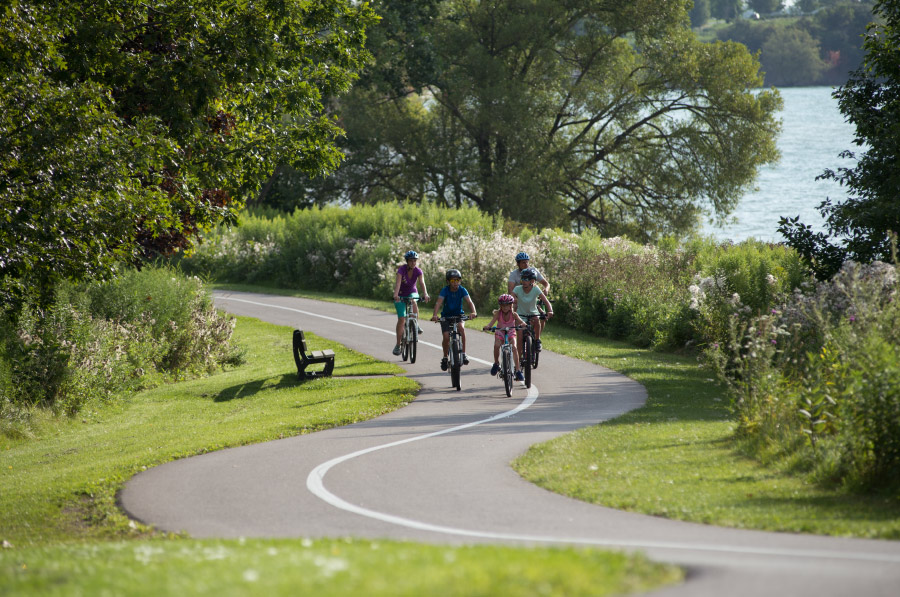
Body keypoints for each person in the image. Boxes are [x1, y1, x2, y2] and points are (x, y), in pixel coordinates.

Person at [431, 269, 477, 371]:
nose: (455, 283)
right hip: (446, 316)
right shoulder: (445, 290)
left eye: (457, 280)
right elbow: (438, 303)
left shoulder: (462, 290)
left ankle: (464, 354)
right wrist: (435, 315)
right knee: (446, 336)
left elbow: (469, 302)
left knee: (461, 327)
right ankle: (445, 357)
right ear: (448, 282)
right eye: (452, 281)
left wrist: (473, 312)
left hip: (459, 315)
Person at [392, 250, 430, 356]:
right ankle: (398, 345)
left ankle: (416, 325)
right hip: (400, 294)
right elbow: (398, 283)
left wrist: (425, 294)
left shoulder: (418, 271)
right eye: (411, 261)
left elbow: (422, 283)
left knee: (414, 301)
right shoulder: (401, 270)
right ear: (407, 261)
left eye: (415, 260)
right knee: (401, 319)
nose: (413, 263)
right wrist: (396, 295)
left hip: (412, 293)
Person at [482, 293, 526, 381]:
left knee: (514, 347)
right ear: (500, 306)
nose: (505, 307)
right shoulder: (498, 313)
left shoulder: (514, 314)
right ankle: (496, 363)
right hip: (500, 332)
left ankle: (517, 370)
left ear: (511, 305)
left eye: (507, 305)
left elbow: (521, 321)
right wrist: (488, 326)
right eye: (503, 305)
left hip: (511, 332)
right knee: (496, 345)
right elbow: (492, 322)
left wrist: (523, 324)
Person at [512, 267, 553, 362]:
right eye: (523, 279)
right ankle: (518, 359)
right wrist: (512, 303)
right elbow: (511, 298)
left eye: (526, 279)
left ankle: (537, 340)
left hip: (533, 313)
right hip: (520, 315)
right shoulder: (517, 289)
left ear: (532, 280)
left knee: (537, 320)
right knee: (520, 337)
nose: (524, 281)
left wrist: (550, 311)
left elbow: (546, 302)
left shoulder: (535, 289)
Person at [508, 251, 550, 336]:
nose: (526, 264)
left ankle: (536, 338)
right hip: (519, 299)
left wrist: (546, 289)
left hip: (533, 299)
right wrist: (515, 299)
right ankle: (514, 332)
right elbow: (510, 290)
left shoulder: (533, 271)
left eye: (527, 262)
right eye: (523, 262)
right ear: (518, 264)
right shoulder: (514, 274)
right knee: (513, 312)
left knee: (543, 317)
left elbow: (546, 284)